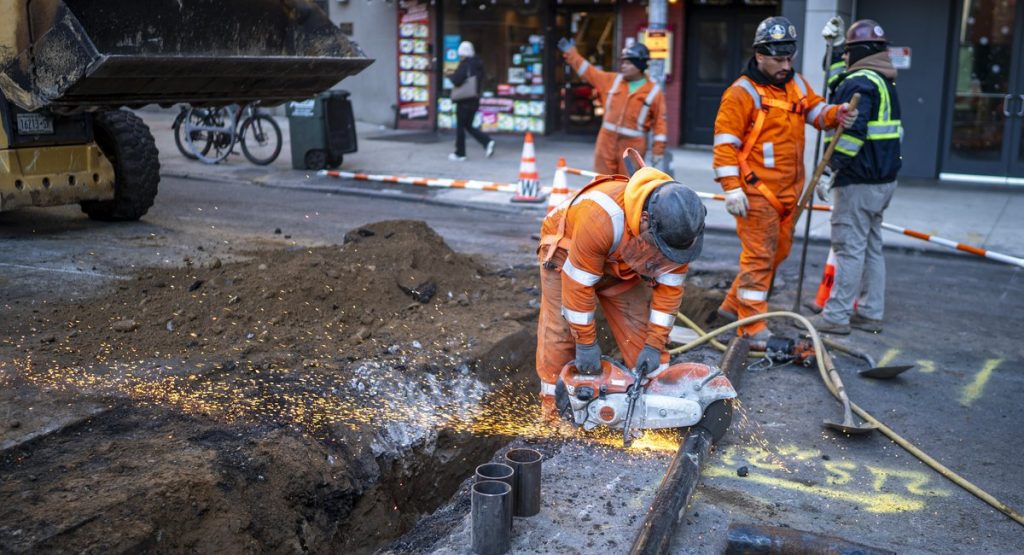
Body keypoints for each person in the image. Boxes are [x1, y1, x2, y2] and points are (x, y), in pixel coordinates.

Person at [711, 16, 858, 341]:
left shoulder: (796, 84)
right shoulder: (740, 94)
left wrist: (837, 114)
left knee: (778, 253)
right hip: (756, 193)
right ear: (760, 55)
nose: (785, 64)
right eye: (778, 59)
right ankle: (750, 325)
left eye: (789, 57)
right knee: (760, 258)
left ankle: (731, 306)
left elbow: (816, 112)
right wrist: (732, 189)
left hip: (789, 192)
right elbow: (724, 147)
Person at [535, 164, 706, 420]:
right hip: (567, 253)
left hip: (619, 262)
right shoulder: (602, 216)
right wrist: (586, 343)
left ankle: (652, 408)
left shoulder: (678, 231)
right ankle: (553, 412)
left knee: (642, 340)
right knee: (560, 334)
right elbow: (578, 286)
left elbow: (669, 293)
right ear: (645, 221)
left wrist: (654, 343)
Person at [810, 20, 902, 335]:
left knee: (849, 246)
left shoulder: (859, 82)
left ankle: (836, 317)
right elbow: (836, 77)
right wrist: (833, 45)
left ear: (857, 52)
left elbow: (851, 134)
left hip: (858, 181)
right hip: (883, 181)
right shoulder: (882, 80)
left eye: (847, 51)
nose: (843, 58)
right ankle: (871, 311)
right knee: (871, 245)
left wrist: (831, 170)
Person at [557, 39, 668, 175]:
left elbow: (660, 125)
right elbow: (588, 71)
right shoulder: (612, 80)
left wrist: (658, 152)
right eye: (623, 62)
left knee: (628, 187)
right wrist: (571, 53)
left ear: (639, 66)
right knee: (603, 183)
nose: (623, 66)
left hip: (633, 147)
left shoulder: (654, 92)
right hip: (606, 141)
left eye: (628, 63)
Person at [448, 41, 495, 161]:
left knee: (460, 127)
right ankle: (487, 141)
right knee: (468, 126)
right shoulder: (478, 64)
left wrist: (450, 75)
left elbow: (457, 80)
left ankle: (460, 153)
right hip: (474, 100)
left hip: (464, 101)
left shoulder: (465, 65)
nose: (460, 57)